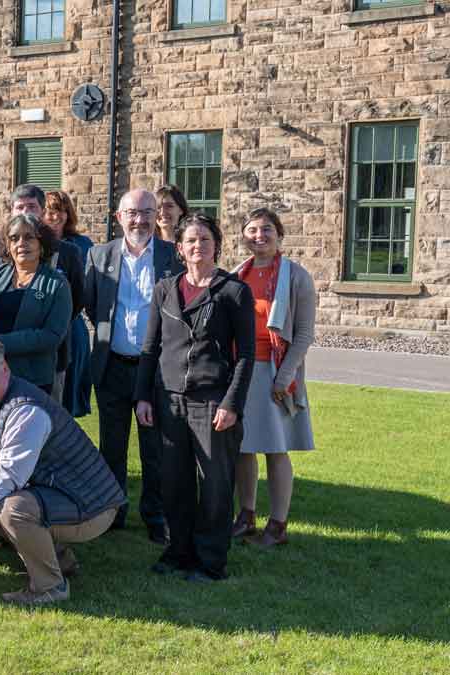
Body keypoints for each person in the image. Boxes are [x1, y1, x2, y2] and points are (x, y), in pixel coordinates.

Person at [0, 336, 126, 606]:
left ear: (5, 369)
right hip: (73, 494)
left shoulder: (26, 411)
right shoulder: (4, 401)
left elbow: (10, 473)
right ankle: (60, 561)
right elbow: (7, 444)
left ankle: (50, 587)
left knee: (11, 509)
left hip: (94, 507)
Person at [135, 214, 255, 582]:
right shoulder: (165, 289)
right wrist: (143, 396)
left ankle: (210, 560)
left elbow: (246, 354)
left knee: (216, 484)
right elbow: (151, 347)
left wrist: (231, 403)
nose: (197, 246)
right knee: (174, 482)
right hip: (169, 400)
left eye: (204, 239)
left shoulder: (233, 291)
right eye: (190, 240)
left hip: (211, 402)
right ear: (179, 248)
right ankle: (178, 552)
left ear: (216, 245)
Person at [82, 188, 183, 542]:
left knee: (155, 449)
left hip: (154, 371)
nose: (139, 220)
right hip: (112, 368)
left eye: (146, 212)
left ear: (157, 215)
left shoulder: (173, 257)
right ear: (119, 217)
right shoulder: (99, 255)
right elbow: (93, 307)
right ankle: (114, 513)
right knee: (112, 447)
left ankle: (155, 517)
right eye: (132, 213)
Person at [230, 208, 316, 548]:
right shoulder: (237, 275)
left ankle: (278, 525)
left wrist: (285, 376)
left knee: (276, 449)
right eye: (252, 230)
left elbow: (305, 333)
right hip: (242, 370)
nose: (259, 235)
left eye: (266, 229)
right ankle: (245, 516)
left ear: (279, 235)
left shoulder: (296, 277)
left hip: (276, 372)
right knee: (242, 447)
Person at [0, 214, 72, 394]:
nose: (21, 243)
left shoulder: (57, 283)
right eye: (14, 238)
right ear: (7, 245)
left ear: (42, 244)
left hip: (31, 380)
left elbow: (52, 336)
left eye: (29, 237)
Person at [46, 190, 94, 418]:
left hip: (72, 326)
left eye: (57, 211)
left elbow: (86, 288)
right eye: (47, 211)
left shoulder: (82, 245)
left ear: (67, 214)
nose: (52, 216)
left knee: (68, 399)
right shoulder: (37, 243)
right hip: (44, 325)